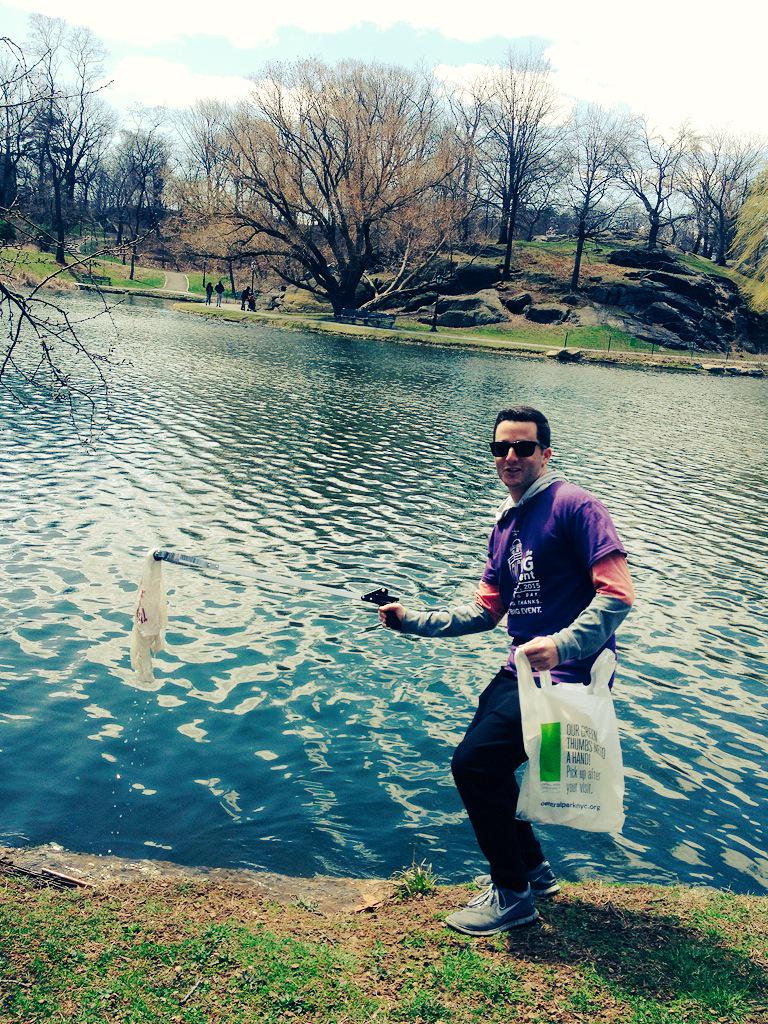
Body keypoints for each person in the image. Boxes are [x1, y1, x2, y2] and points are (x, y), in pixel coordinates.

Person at [379, 406, 634, 936]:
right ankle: (534, 874)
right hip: (520, 671)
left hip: (568, 676)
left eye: (523, 447)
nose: (511, 457)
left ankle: (513, 895)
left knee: (474, 765)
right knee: (484, 768)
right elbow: (486, 611)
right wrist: (411, 621)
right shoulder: (506, 524)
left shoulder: (575, 507)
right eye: (502, 448)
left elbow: (618, 594)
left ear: (546, 452)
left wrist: (562, 645)